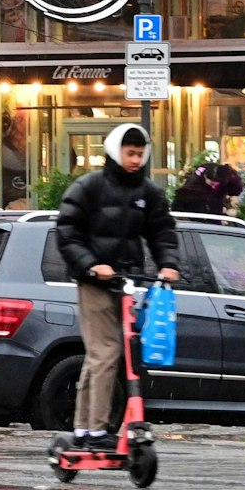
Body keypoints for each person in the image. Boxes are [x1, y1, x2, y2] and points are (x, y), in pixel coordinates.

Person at [55, 124, 180, 450]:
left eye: (140, 153)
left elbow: (162, 231)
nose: (135, 159)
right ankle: (95, 430)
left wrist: (168, 264)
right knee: (106, 352)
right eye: (130, 153)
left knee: (112, 356)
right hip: (95, 284)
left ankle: (84, 427)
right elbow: (67, 231)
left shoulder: (148, 193)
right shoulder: (89, 187)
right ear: (114, 151)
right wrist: (91, 265)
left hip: (127, 284)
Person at [171, 161, 243, 216]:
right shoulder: (192, 185)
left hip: (215, 216)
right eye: (211, 184)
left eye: (216, 184)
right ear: (205, 177)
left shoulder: (223, 178)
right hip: (196, 217)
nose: (213, 187)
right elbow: (178, 204)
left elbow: (235, 190)